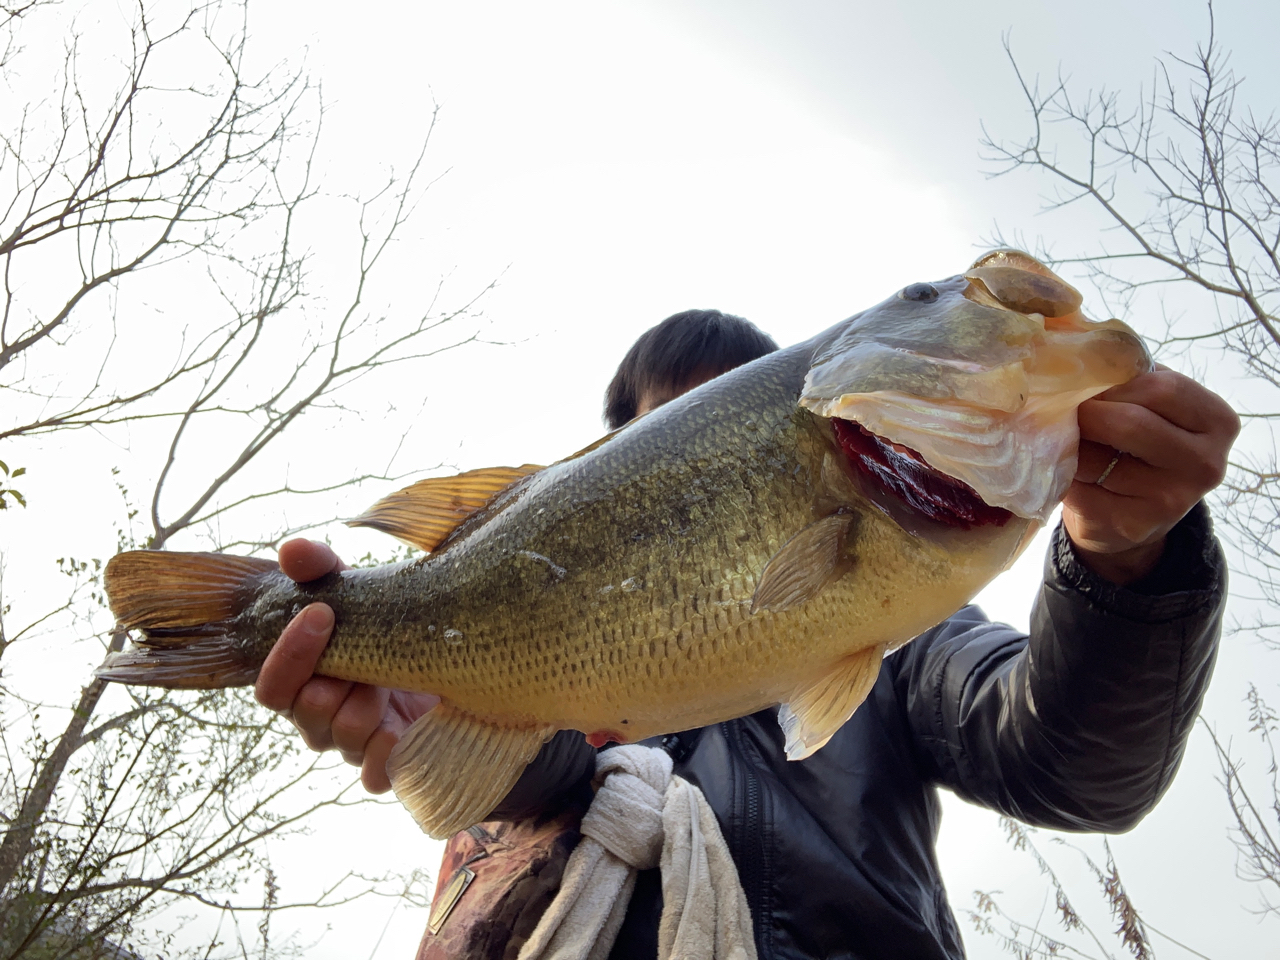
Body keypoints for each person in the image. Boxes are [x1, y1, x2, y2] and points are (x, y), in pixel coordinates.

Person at [255, 307, 1237, 959]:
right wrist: (441, 721)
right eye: (670, 431)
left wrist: (1127, 563)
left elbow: (1073, 769)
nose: (709, 458)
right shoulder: (548, 650)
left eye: (736, 412)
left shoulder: (904, 641)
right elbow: (542, 782)